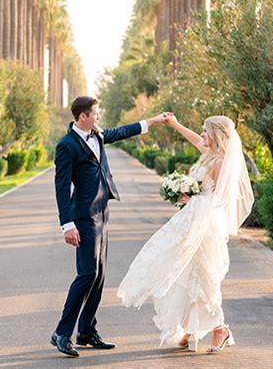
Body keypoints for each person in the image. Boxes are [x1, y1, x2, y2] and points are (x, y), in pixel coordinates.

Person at [117, 113, 254, 354]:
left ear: (216, 135)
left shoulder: (222, 161)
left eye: (205, 131)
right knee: (185, 273)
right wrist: (175, 124)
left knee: (204, 275)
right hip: (193, 220)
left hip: (206, 225)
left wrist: (190, 197)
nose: (201, 135)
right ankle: (190, 329)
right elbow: (194, 141)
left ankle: (220, 329)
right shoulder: (210, 154)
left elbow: (217, 200)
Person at [51, 95, 169, 358]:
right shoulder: (67, 145)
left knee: (100, 274)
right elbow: (61, 188)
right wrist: (67, 225)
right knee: (87, 273)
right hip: (83, 216)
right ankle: (61, 332)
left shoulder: (97, 135)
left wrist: (153, 121)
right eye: (95, 114)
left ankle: (86, 331)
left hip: (102, 211)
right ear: (83, 116)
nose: (98, 118)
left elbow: (121, 131)